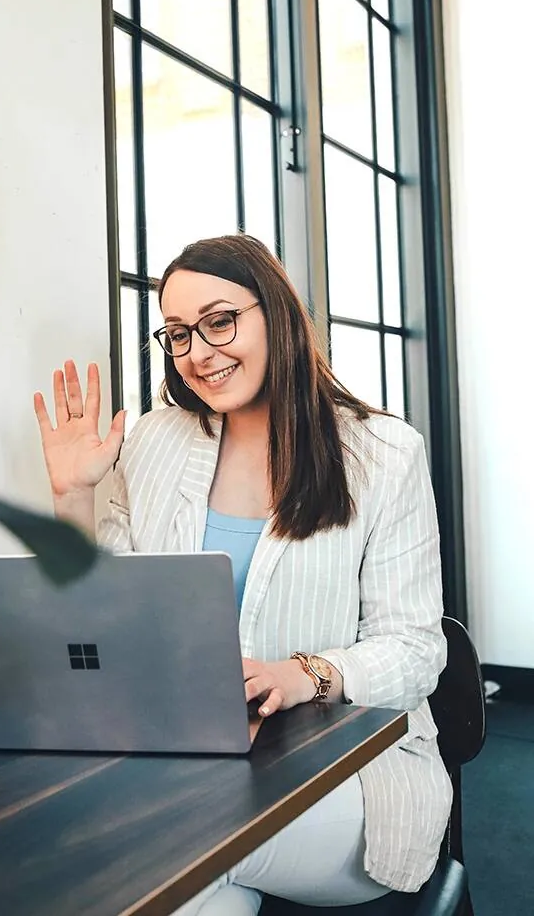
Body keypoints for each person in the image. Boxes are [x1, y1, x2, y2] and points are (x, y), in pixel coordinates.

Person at [33, 234, 452, 913]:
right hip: (184, 762)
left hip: (347, 777)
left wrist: (300, 675)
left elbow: (416, 649)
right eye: (176, 334)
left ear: (276, 315)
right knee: (189, 877)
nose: (198, 352)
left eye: (220, 321)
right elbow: (101, 621)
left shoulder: (384, 452)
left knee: (174, 841)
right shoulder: (152, 442)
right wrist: (73, 496)